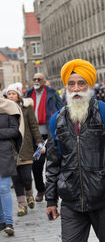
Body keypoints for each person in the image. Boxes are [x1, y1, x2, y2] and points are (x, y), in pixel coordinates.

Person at [45, 59, 105, 242]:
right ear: (66, 87)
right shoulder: (57, 120)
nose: (77, 89)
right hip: (71, 201)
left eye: (81, 83)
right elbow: (53, 163)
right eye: (72, 84)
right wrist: (51, 199)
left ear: (90, 85)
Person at [7, 82, 44, 216]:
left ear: (18, 95)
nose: (11, 96)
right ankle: (22, 205)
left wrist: (39, 142)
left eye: (13, 94)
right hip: (11, 149)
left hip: (26, 146)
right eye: (9, 94)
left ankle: (29, 194)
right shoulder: (5, 108)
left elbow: (34, 126)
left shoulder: (27, 108)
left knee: (27, 176)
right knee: (16, 178)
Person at [26, 73, 64, 202]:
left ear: (44, 81)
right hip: (34, 134)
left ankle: (53, 190)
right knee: (36, 164)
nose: (36, 81)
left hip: (49, 133)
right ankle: (40, 190)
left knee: (52, 162)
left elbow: (61, 108)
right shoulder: (28, 94)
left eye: (39, 79)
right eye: (34, 79)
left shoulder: (52, 93)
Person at [0, 89, 24, 236]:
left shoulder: (9, 107)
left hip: (5, 152)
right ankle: (2, 221)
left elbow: (15, 131)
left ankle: (9, 222)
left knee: (3, 188)